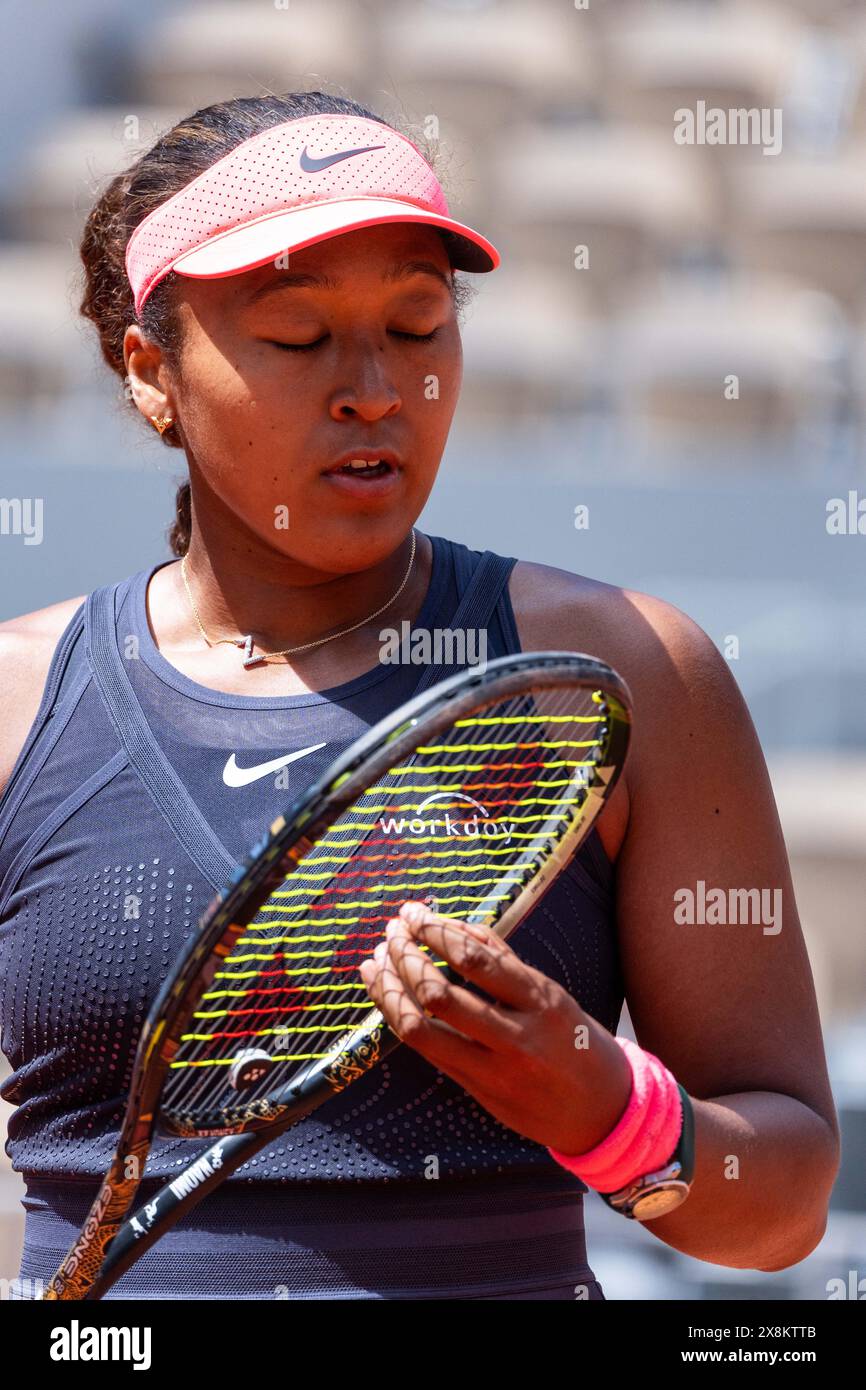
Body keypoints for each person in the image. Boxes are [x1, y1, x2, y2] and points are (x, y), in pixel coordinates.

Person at [0, 90, 839, 1300]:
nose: (374, 389)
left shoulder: (633, 672)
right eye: (296, 337)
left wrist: (608, 1107)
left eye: (416, 322)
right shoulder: (22, 700)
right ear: (150, 371)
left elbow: (782, 1209)